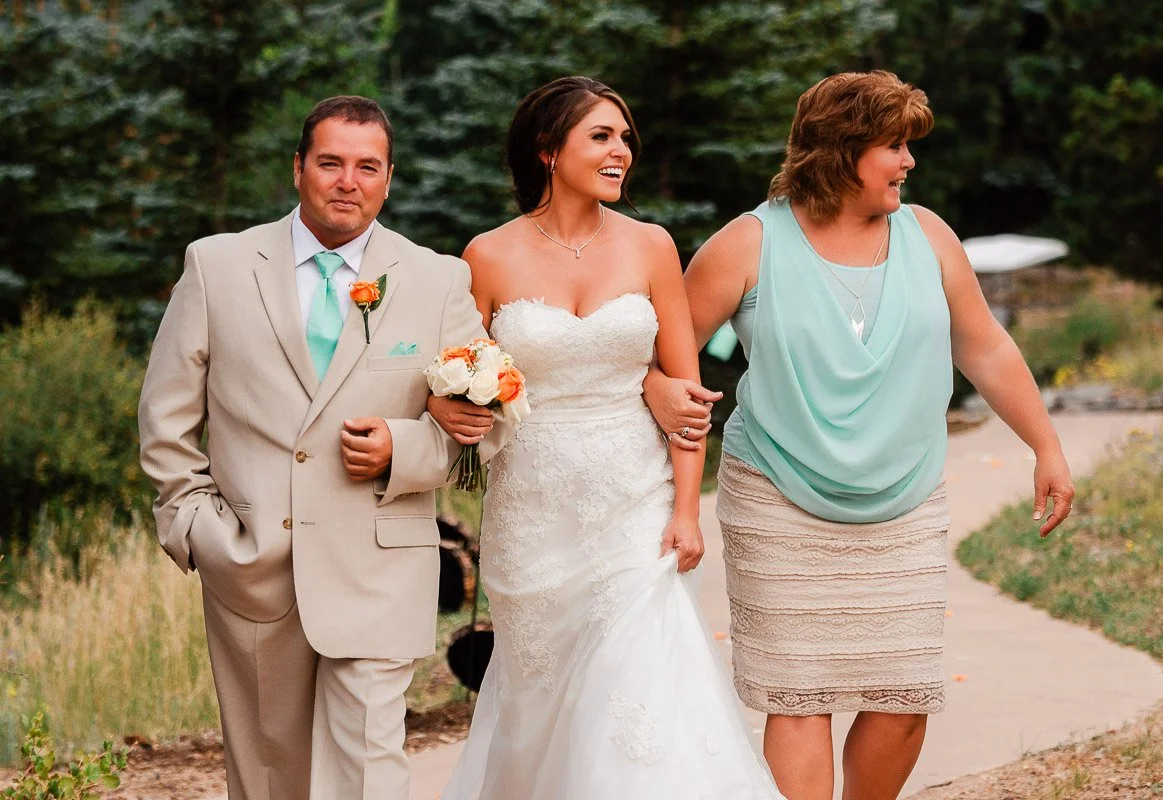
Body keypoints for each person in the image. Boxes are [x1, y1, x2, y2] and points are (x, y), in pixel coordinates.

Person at [643, 70, 1076, 800]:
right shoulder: (748, 243)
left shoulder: (927, 234)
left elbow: (986, 347)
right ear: (839, 150)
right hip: (777, 497)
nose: (909, 161)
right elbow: (665, 352)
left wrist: (1047, 446)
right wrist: (657, 386)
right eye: (894, 145)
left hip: (904, 498)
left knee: (903, 695)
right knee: (802, 696)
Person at [137, 95, 510, 800]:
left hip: (380, 563)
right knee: (269, 774)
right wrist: (192, 528)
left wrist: (402, 449)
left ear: (389, 178)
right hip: (250, 566)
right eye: (331, 163)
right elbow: (165, 418)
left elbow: (486, 429)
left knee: (369, 768)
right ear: (299, 169)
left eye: (367, 166)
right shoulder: (216, 266)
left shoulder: (436, 280)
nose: (349, 181)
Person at [426, 76, 784, 799]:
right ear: (548, 151)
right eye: (602, 136)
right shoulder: (486, 256)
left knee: (641, 688)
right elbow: (459, 378)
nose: (622, 150)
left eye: (625, 138)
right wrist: (446, 404)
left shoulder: (652, 247)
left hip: (635, 504)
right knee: (541, 702)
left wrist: (686, 509)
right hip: (531, 513)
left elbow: (687, 397)